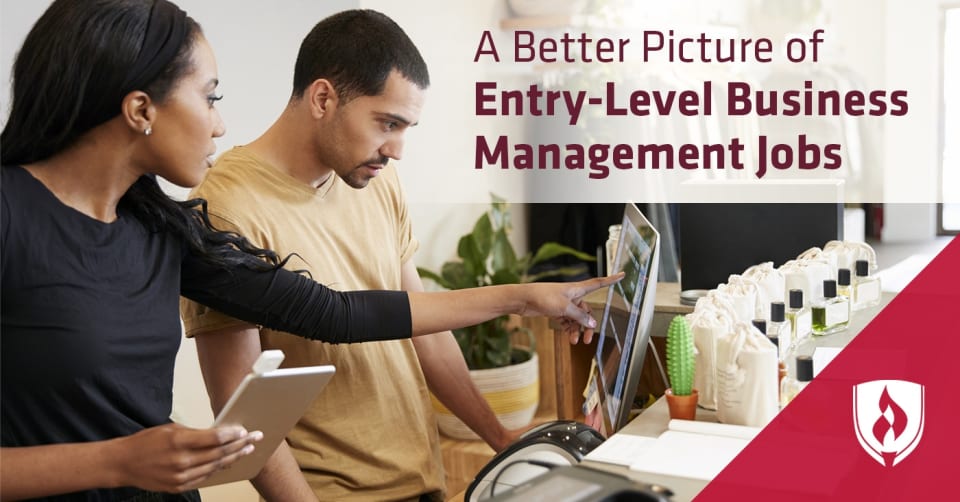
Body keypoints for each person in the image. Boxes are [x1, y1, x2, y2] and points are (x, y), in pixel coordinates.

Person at [0, 1, 617, 501]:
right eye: (210, 97)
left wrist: (525, 299)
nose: (220, 122)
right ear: (140, 110)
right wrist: (116, 461)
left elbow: (336, 314)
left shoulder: (163, 230)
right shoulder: (12, 215)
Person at [179, 9, 574, 501]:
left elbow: (424, 332)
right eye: (388, 123)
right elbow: (241, 409)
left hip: (424, 483)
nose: (398, 149)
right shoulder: (227, 207)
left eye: (406, 127)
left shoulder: (372, 179)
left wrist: (500, 440)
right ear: (324, 98)